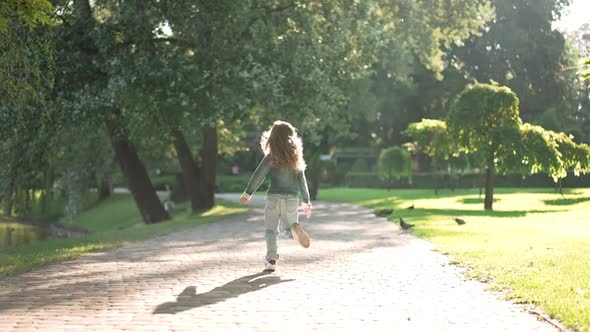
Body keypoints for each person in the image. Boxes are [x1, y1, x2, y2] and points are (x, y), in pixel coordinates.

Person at [240, 120, 312, 272]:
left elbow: (258, 175)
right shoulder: (295, 158)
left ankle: (271, 260)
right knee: (288, 228)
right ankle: (294, 231)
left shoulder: (270, 157)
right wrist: (306, 202)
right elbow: (302, 181)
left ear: (272, 138)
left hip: (273, 198)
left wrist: (248, 193)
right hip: (291, 199)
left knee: (271, 231)